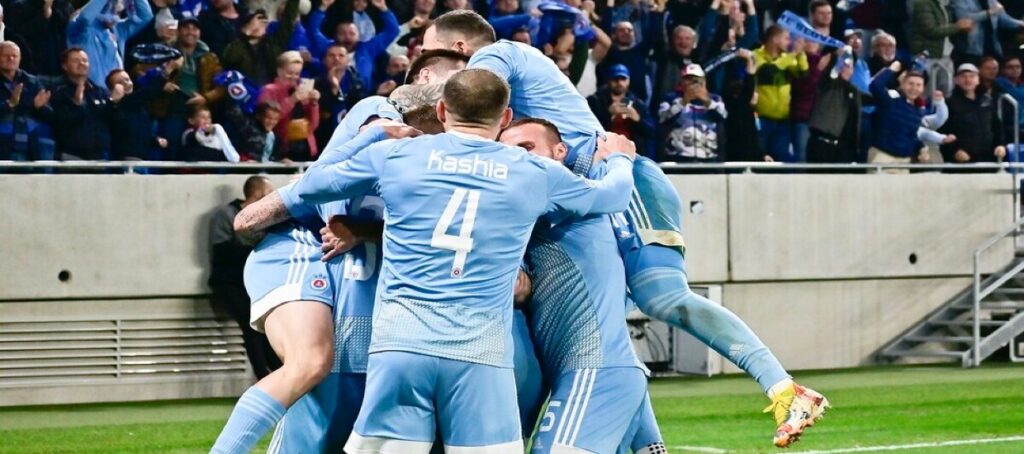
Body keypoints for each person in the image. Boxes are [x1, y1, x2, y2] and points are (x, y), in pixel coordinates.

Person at [423, 10, 829, 448]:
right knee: (608, 328)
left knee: (661, 296)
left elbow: (470, 110)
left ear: (459, 48)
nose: (426, 65)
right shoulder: (518, 115)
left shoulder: (497, 58)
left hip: (620, 175)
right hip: (591, 192)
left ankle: (784, 388)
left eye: (429, 54)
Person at [237, 69, 637, 453]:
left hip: (400, 349)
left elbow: (310, 185)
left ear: (443, 111)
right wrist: (619, 158)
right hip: (480, 355)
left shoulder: (396, 155)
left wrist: (370, 136)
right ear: (505, 119)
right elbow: (613, 196)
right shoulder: (535, 172)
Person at [499, 118, 650, 453]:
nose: (519, 159)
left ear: (560, 151)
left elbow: (615, 192)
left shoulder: (564, 194)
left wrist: (619, 159)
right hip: (596, 371)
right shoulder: (537, 212)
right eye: (508, 152)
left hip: (594, 369)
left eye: (527, 148)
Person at [209, 176, 282, 380]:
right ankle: (264, 377)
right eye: (269, 192)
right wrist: (255, 252)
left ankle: (279, 374)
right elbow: (222, 251)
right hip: (229, 283)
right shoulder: (226, 215)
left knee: (265, 328)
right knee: (252, 325)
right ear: (257, 193)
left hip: (253, 284)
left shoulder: (267, 218)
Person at [308, 0, 399, 97]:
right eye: (342, 33)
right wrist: (323, 7)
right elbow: (312, 30)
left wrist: (383, 8)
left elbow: (392, 31)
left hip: (362, 95)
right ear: (335, 35)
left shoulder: (368, 48)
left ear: (359, 36)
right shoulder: (327, 47)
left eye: (352, 33)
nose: (347, 37)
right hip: (328, 94)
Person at [66, 0, 153, 89]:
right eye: (110, 10)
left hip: (118, 92)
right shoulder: (79, 29)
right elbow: (85, 18)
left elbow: (145, 16)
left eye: (118, 13)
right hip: (89, 92)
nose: (115, 17)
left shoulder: (118, 30)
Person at [753, 25, 808, 162]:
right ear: (775, 39)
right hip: (762, 119)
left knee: (780, 160)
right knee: (759, 159)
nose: (789, 42)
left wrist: (801, 54)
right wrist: (793, 54)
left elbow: (803, 75)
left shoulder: (786, 58)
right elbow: (769, 72)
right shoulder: (756, 55)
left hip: (783, 121)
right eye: (786, 38)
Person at [257, 51, 321, 161]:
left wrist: (314, 103)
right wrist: (292, 100)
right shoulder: (268, 90)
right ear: (279, 71)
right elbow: (266, 121)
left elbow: (313, 125)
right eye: (290, 73)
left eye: (297, 74)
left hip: (306, 149)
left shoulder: (302, 90)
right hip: (280, 150)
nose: (294, 77)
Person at [51, 48, 113, 160]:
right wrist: (76, 104)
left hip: (99, 157)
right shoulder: (57, 91)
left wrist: (114, 103)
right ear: (65, 66)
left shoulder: (100, 92)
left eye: (85, 60)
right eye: (76, 60)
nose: (82, 63)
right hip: (70, 155)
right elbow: (59, 122)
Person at [868, 61, 930, 172]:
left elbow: (910, 135)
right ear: (903, 84)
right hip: (882, 157)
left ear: (923, 89)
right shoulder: (890, 101)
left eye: (918, 85)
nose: (914, 88)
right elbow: (875, 86)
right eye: (911, 83)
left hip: (904, 162)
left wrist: (921, 148)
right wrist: (890, 70)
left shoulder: (918, 112)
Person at [657, 63, 727, 163]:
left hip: (708, 157)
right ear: (682, 81)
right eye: (688, 79)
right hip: (677, 157)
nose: (692, 84)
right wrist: (683, 102)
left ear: (703, 81)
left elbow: (722, 116)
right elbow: (663, 119)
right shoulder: (670, 98)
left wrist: (707, 101)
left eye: (696, 80)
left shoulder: (715, 98)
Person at [939, 63, 1007, 165]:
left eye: (972, 76)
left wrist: (1000, 145)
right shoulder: (948, 104)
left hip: (988, 160)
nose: (968, 80)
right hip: (960, 163)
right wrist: (954, 151)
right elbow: (942, 132)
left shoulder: (987, 101)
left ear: (978, 80)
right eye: (963, 76)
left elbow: (997, 127)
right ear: (956, 80)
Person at [221, 0, 297, 87]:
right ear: (246, 26)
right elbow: (229, 59)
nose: (263, 23)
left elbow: (288, 20)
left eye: (264, 20)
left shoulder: (273, 43)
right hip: (245, 92)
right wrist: (246, 33)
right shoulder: (239, 45)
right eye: (258, 20)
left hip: (270, 92)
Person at [0, 41, 54, 162]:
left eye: (14, 56)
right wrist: (9, 104)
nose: (11, 58)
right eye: (6, 55)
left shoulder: (32, 82)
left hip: (31, 146)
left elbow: (50, 115)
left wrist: (39, 107)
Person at [587, 64, 653, 159]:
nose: (619, 83)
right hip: (603, 153)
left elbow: (651, 131)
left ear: (628, 80)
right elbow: (589, 129)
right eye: (615, 79)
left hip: (631, 154)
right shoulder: (595, 101)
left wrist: (638, 119)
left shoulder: (638, 104)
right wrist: (608, 114)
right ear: (608, 80)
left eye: (623, 79)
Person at [909, 0, 973, 94]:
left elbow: (949, 30)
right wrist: (957, 27)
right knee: (926, 93)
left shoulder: (946, 6)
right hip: (927, 57)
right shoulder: (923, 4)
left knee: (946, 92)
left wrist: (963, 29)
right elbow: (930, 30)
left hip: (945, 56)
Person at [106, 68, 167, 161]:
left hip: (141, 159)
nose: (126, 83)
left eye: (127, 79)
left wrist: (155, 140)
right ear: (112, 89)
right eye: (120, 82)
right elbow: (149, 92)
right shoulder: (117, 106)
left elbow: (139, 132)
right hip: (124, 160)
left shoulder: (139, 107)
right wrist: (166, 72)